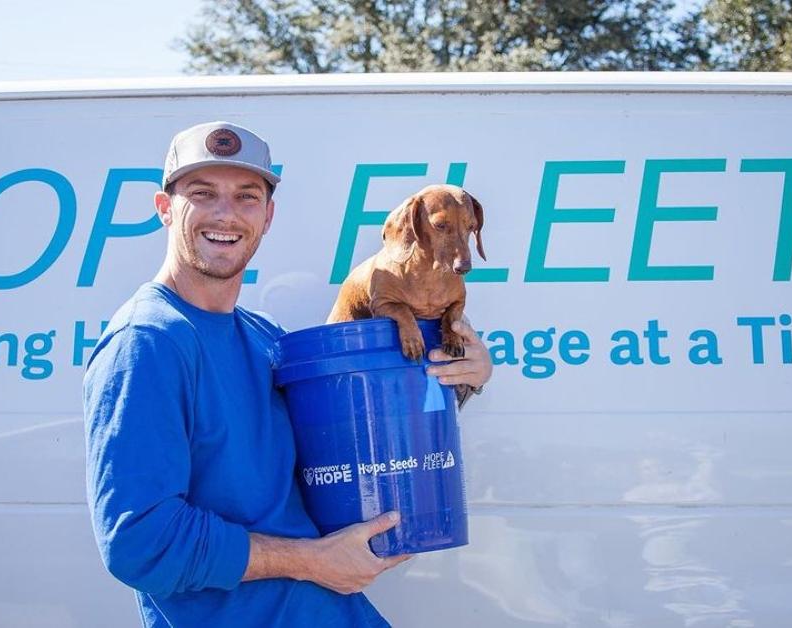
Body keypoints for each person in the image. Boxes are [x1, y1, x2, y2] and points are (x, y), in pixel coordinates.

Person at [83, 121, 493, 627]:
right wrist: (313, 561)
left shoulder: (264, 337)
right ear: (166, 209)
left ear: (268, 215)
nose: (226, 213)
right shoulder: (148, 342)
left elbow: (361, 443)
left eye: (247, 196)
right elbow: (138, 542)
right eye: (202, 193)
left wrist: (462, 377)